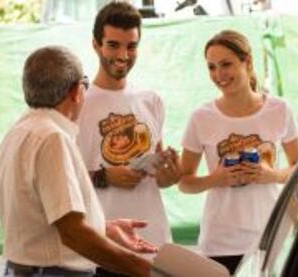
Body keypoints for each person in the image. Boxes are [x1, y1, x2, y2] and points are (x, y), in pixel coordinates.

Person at [0, 45, 158, 277]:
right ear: (76, 91)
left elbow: (42, 218)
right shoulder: (52, 138)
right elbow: (73, 233)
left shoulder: (19, 131)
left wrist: (104, 228)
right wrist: (148, 271)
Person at [179, 29, 298, 274]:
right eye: (212, 67)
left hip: (269, 237)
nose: (218, 75)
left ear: (248, 62)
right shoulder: (201, 117)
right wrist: (216, 178)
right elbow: (184, 182)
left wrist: (273, 175)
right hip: (220, 243)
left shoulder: (280, 109)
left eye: (226, 64)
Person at [76, 2, 182, 276]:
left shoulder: (152, 100)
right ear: (95, 44)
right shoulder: (76, 103)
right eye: (113, 45)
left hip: (155, 246)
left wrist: (168, 175)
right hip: (102, 251)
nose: (123, 55)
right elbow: (59, 179)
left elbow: (159, 175)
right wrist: (105, 176)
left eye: (131, 46)